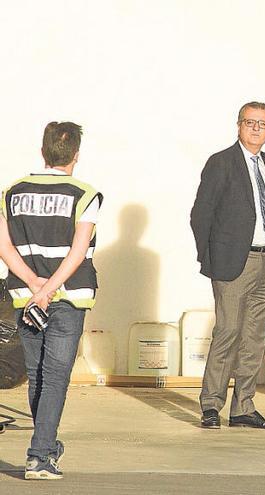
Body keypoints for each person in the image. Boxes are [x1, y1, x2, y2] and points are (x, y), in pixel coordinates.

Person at [0, 121, 102, 480]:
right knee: (55, 377)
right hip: (68, 298)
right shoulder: (85, 194)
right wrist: (50, 289)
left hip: (26, 298)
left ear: (42, 152)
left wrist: (33, 285)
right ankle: (39, 456)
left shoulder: (11, 192)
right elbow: (77, 253)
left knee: (39, 377)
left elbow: (4, 247)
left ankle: (46, 444)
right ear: (75, 154)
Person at [190, 101, 265, 430]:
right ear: (239, 125)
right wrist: (210, 257)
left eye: (264, 124)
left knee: (255, 337)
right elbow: (200, 215)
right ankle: (211, 405)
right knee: (228, 331)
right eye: (250, 122)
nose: (257, 128)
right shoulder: (221, 163)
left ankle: (243, 406)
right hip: (233, 263)